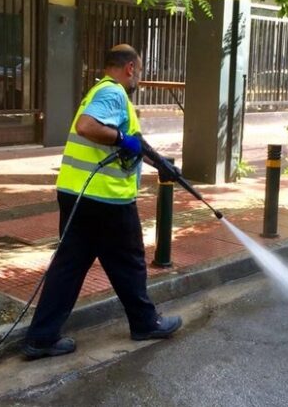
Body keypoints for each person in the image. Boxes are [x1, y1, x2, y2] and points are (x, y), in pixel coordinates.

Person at [23, 44, 182, 359]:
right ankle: (145, 323)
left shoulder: (98, 91)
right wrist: (123, 140)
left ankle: (40, 338)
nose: (139, 78)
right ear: (130, 69)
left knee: (68, 268)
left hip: (76, 193)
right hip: (105, 199)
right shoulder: (113, 93)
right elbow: (90, 127)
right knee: (130, 263)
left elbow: (133, 143)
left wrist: (160, 162)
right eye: (140, 71)